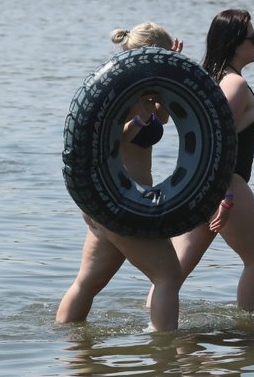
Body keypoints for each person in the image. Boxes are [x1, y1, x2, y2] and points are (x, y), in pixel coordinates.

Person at [57, 23, 186, 332]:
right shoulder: (120, 92)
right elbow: (115, 139)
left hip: (113, 202)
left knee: (88, 282)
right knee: (168, 274)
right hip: (122, 200)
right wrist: (138, 121)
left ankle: (67, 348)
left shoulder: (144, 91)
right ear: (151, 52)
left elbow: (165, 117)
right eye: (164, 54)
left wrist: (174, 73)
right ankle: (164, 354)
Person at [164, 9, 254, 309]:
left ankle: (156, 331)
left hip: (198, 185)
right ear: (236, 43)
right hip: (226, 183)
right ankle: (248, 337)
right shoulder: (235, 84)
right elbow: (215, 143)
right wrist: (225, 197)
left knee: (172, 273)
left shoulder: (208, 78)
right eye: (253, 38)